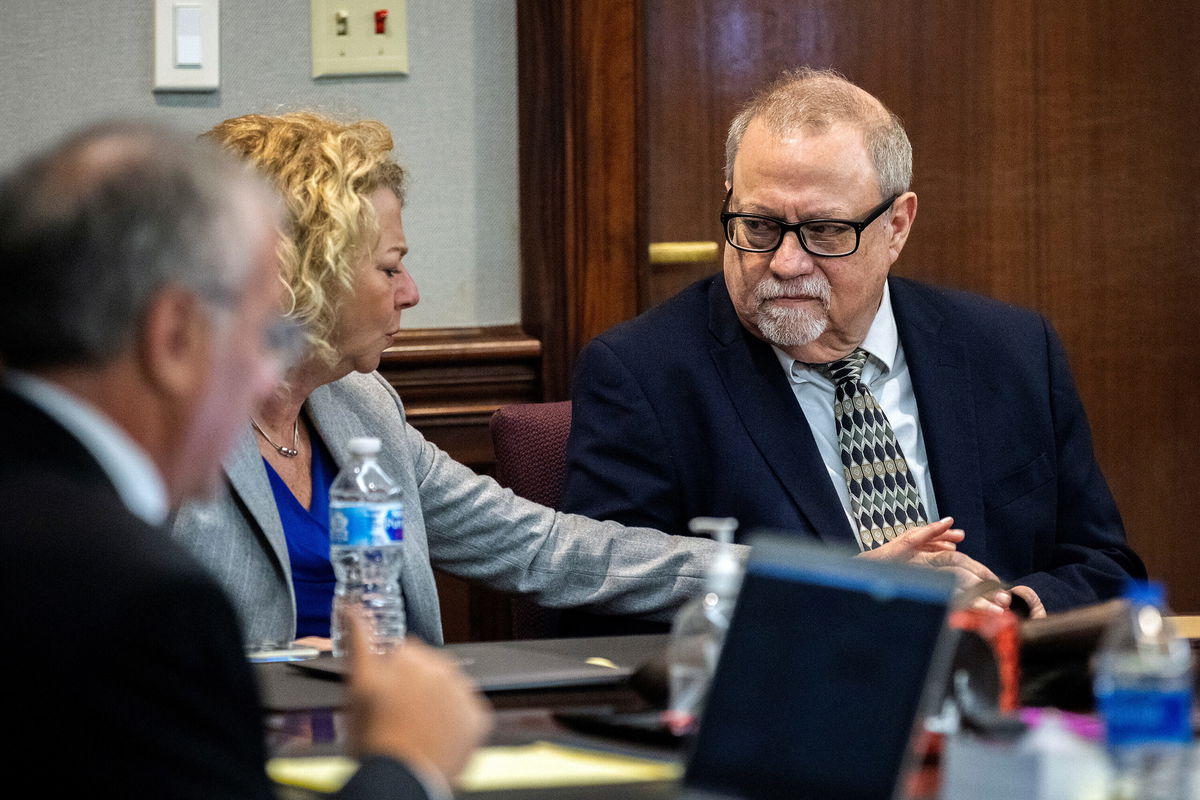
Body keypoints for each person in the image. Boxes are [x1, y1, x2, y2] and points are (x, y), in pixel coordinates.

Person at [174, 111, 822, 648]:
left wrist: (800, 578)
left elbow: (541, 547)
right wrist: (265, 675)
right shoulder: (158, 432)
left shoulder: (360, 407)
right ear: (302, 278)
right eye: (390, 268)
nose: (412, 293)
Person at [0, 122, 489, 799]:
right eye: (264, 335)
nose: (267, 380)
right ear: (173, 337)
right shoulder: (137, 600)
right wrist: (409, 763)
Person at [562, 68, 1145, 618]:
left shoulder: (1012, 350)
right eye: (758, 226)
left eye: (824, 231)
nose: (785, 263)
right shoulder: (645, 375)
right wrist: (846, 596)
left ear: (897, 226)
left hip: (998, 697)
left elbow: (1105, 568)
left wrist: (1006, 612)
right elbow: (602, 607)